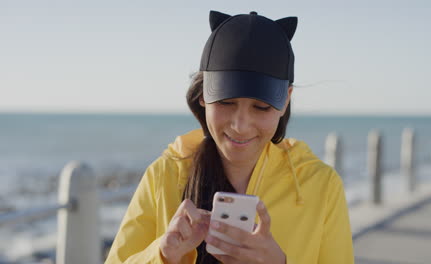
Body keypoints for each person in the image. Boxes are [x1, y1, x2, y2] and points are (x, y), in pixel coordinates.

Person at [105, 10, 354, 264]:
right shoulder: (164, 176)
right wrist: (162, 255)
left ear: (286, 100)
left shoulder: (321, 186)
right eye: (226, 102)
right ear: (203, 95)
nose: (240, 126)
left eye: (261, 107)